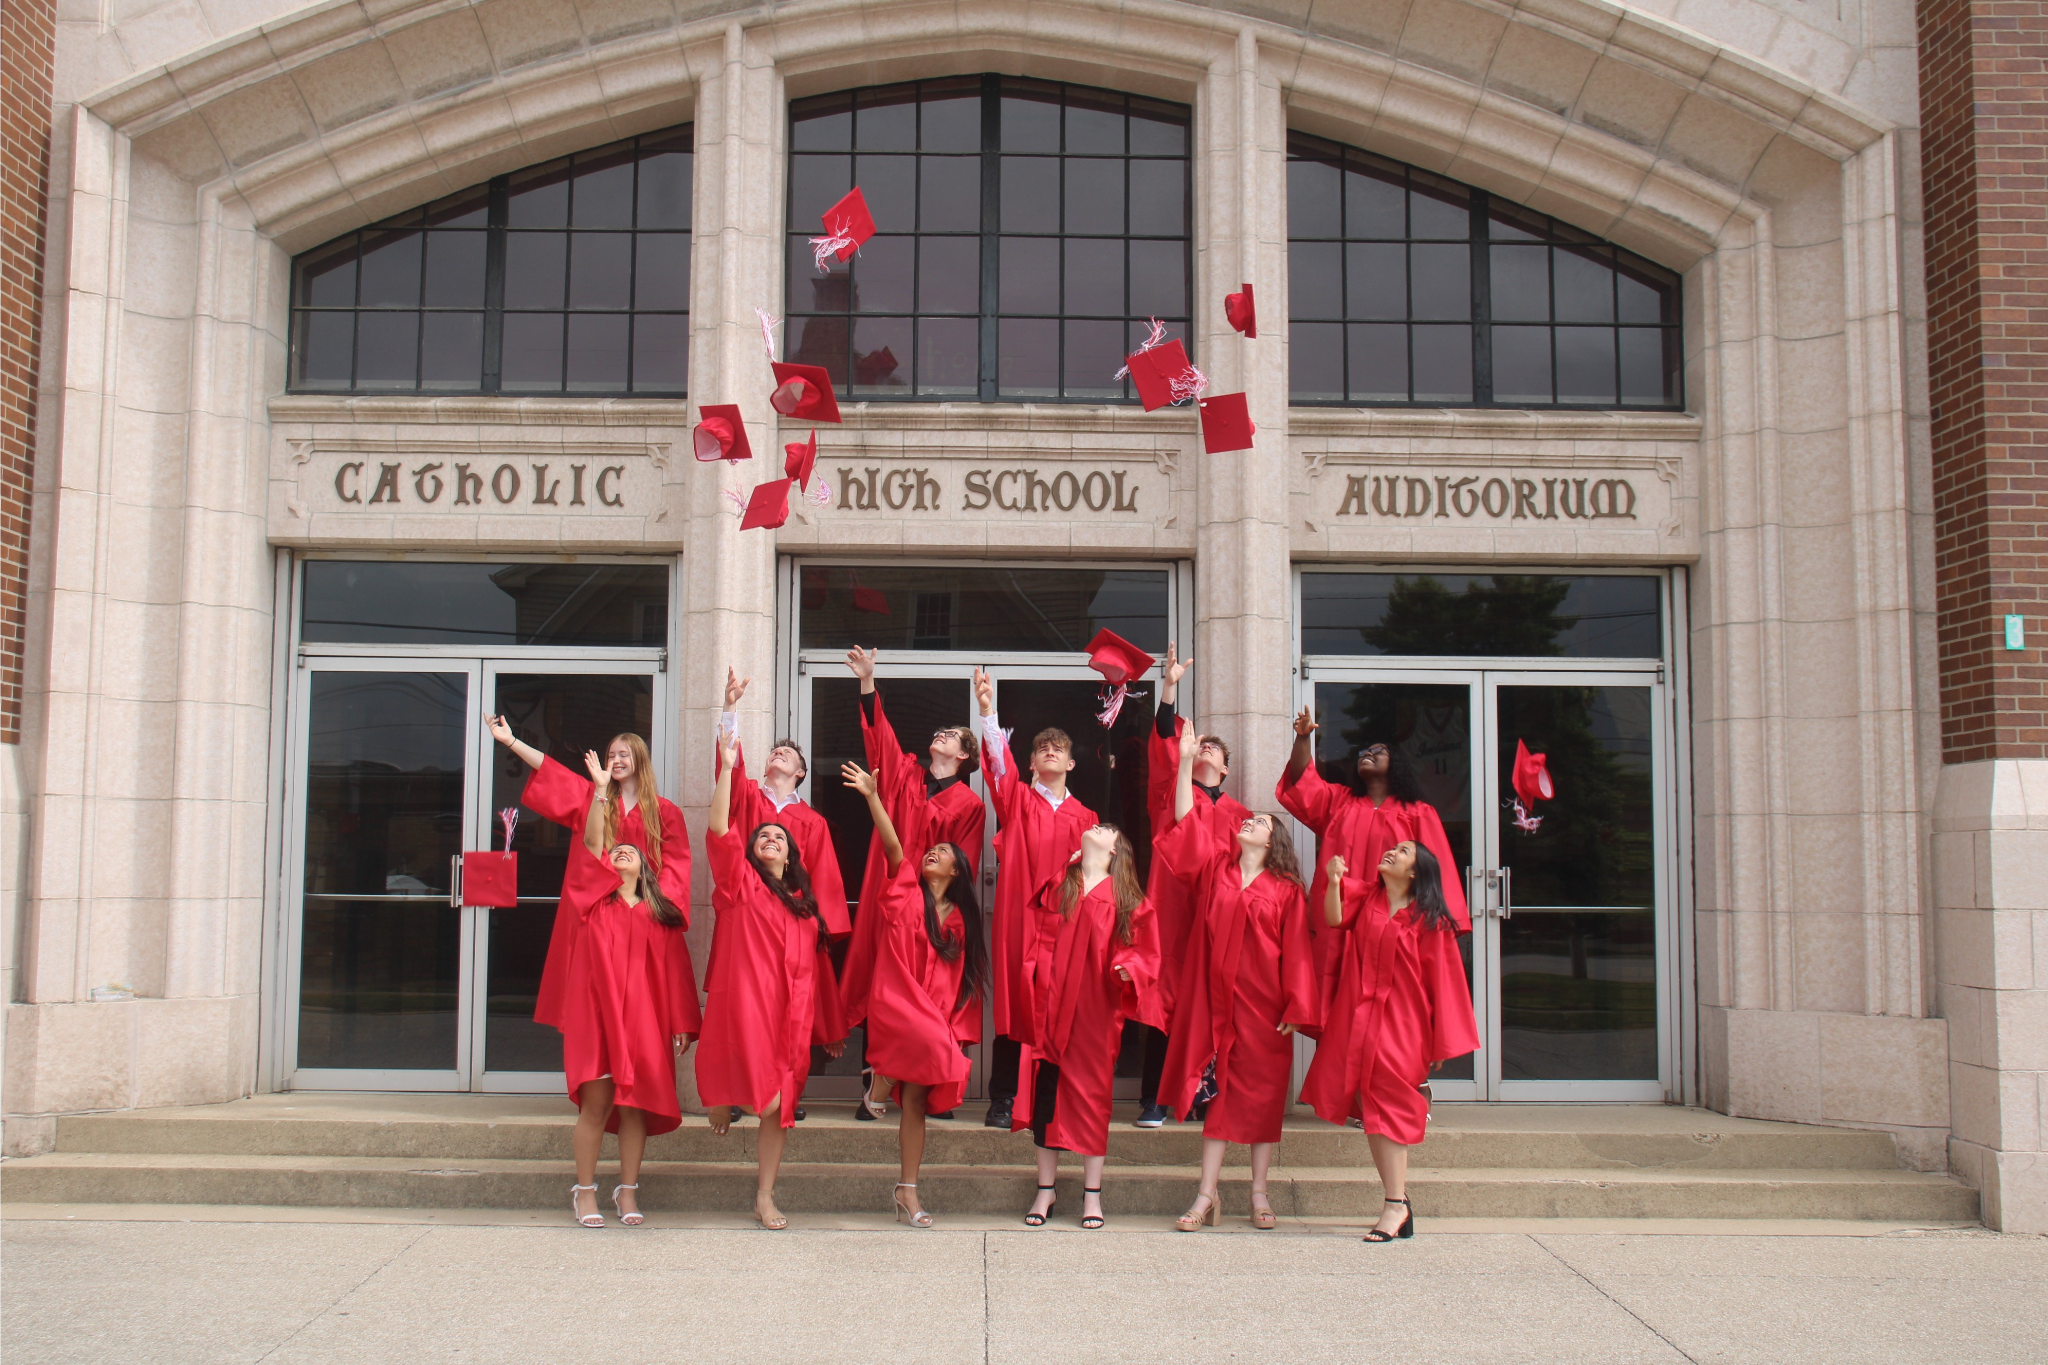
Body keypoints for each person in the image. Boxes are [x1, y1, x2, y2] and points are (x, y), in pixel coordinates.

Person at [1153, 732, 1319, 1231]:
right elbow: (1185, 822)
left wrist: (1296, 1006)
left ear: (1274, 841)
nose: (1249, 821)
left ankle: (1259, 1193)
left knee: (1264, 1098)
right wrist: (1183, 764)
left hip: (1265, 1006)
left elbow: (1298, 953)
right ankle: (1206, 1196)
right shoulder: (1214, 870)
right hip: (1216, 1002)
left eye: (1260, 822)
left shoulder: (1286, 890)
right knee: (1219, 1097)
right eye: (1248, 818)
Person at [697, 724, 847, 1229]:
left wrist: (826, 1024)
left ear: (792, 853)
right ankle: (723, 1094)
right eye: (762, 834)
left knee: (779, 1106)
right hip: (746, 1003)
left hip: (788, 1015)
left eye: (778, 836)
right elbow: (721, 829)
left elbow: (813, 969)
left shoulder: (805, 908)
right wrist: (725, 759)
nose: (770, 836)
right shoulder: (740, 885)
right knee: (761, 1093)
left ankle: (764, 1193)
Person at [1300, 842, 1479, 1242]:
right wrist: (1332, 882)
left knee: (1387, 1106)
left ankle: (1395, 1206)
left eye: (1402, 852)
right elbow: (1335, 918)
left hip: (1403, 1023)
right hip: (1359, 1017)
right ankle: (1398, 1203)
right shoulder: (1368, 896)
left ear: (1416, 873)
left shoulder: (1429, 921)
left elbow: (1445, 984)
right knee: (1370, 1107)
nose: (1391, 853)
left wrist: (1440, 1043)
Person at [839, 759, 990, 1227]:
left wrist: (947, 1022)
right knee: (939, 1056)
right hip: (895, 1000)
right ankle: (881, 1076)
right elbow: (891, 844)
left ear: (957, 870)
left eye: (943, 852)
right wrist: (872, 796)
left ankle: (908, 1191)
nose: (932, 853)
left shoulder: (961, 922)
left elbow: (955, 981)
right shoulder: (905, 890)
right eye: (931, 850)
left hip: (931, 1011)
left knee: (919, 1103)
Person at [840, 647, 987, 1121]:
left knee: (932, 994)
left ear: (964, 755)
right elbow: (880, 739)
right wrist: (868, 683)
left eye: (951, 735)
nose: (939, 736)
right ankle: (876, 1086)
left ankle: (930, 1085)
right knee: (885, 989)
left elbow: (962, 862)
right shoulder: (905, 775)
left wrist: (941, 908)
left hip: (934, 907)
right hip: (894, 898)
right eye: (938, 732)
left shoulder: (969, 804)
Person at [558, 751, 701, 1227]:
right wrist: (601, 789)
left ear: (646, 866)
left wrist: (682, 1022)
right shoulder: (593, 905)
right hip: (598, 1019)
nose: (621, 852)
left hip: (641, 1020)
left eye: (631, 851)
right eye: (615, 852)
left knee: (635, 1108)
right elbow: (593, 842)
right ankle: (584, 1192)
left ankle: (628, 1192)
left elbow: (677, 974)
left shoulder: (659, 918)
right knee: (596, 1105)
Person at [485, 716, 694, 1038]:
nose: (616, 760)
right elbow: (551, 771)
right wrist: (511, 741)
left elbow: (676, 864)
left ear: (640, 759)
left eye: (624, 754)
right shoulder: (593, 799)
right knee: (596, 998)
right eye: (611, 755)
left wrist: (655, 906)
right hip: (599, 913)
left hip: (644, 914)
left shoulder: (665, 812)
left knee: (640, 1001)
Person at [715, 667, 851, 1118]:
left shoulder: (813, 822)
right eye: (775, 749)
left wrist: (819, 931)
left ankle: (788, 1090)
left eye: (789, 753)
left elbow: (825, 880)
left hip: (792, 923)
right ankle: (737, 1091)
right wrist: (730, 707)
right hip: (750, 917)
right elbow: (728, 773)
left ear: (802, 772)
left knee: (793, 1007)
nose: (780, 753)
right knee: (743, 1004)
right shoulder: (750, 798)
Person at [1015, 825, 1164, 1230]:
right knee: (1048, 1095)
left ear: (1116, 849)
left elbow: (1142, 949)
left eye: (1105, 829)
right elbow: (1035, 935)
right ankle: (1045, 1189)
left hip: (1095, 1013)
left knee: (1092, 1097)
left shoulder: (1126, 897)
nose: (1095, 827)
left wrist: (1129, 969)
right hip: (1052, 1006)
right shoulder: (1061, 882)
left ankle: (1092, 1193)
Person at [1133, 643, 1252, 1128]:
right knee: (1163, 1003)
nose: (1205, 749)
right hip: (1169, 909)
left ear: (1225, 768)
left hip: (1215, 918)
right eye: (1200, 744)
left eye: (1214, 749)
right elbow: (1165, 744)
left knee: (1209, 1004)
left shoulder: (1242, 816)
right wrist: (1168, 692)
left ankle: (1203, 1097)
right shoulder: (1171, 793)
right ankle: (1155, 1100)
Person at [976, 667, 1098, 1128]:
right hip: (1020, 916)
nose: (1050, 749)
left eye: (1060, 748)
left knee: (1060, 1004)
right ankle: (1004, 1097)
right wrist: (988, 711)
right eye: (1041, 747)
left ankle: (1053, 1096)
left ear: (1070, 763)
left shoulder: (1086, 816)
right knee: (1015, 1002)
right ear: (1030, 763)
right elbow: (999, 767)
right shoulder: (1018, 801)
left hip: (1065, 921)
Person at [1277, 706, 1469, 997]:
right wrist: (1303, 739)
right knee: (1337, 990)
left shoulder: (1418, 813)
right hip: (1340, 915)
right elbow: (1303, 783)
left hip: (1395, 918)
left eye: (1379, 751)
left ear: (1398, 764)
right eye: (1364, 751)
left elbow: (1435, 868)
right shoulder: (1339, 802)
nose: (1367, 753)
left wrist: (1439, 922)